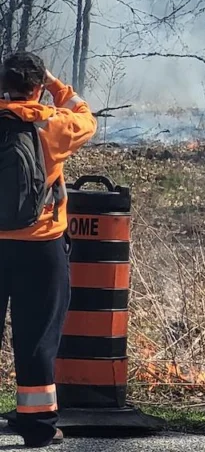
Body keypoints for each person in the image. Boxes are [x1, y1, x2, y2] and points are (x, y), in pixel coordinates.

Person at [0, 52, 97, 448]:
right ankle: (38, 427)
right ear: (38, 87)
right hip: (40, 246)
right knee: (37, 336)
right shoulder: (51, 124)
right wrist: (57, 86)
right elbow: (87, 117)